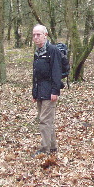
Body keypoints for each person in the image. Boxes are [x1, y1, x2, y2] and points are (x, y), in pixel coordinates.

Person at [31, 24, 63, 156]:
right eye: (34, 35)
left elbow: (57, 71)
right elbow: (35, 74)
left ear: (45, 35)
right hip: (40, 91)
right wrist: (34, 92)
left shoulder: (52, 50)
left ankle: (45, 149)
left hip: (50, 91)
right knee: (47, 120)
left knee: (44, 120)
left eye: (38, 34)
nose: (36, 37)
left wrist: (55, 91)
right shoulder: (37, 52)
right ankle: (53, 146)